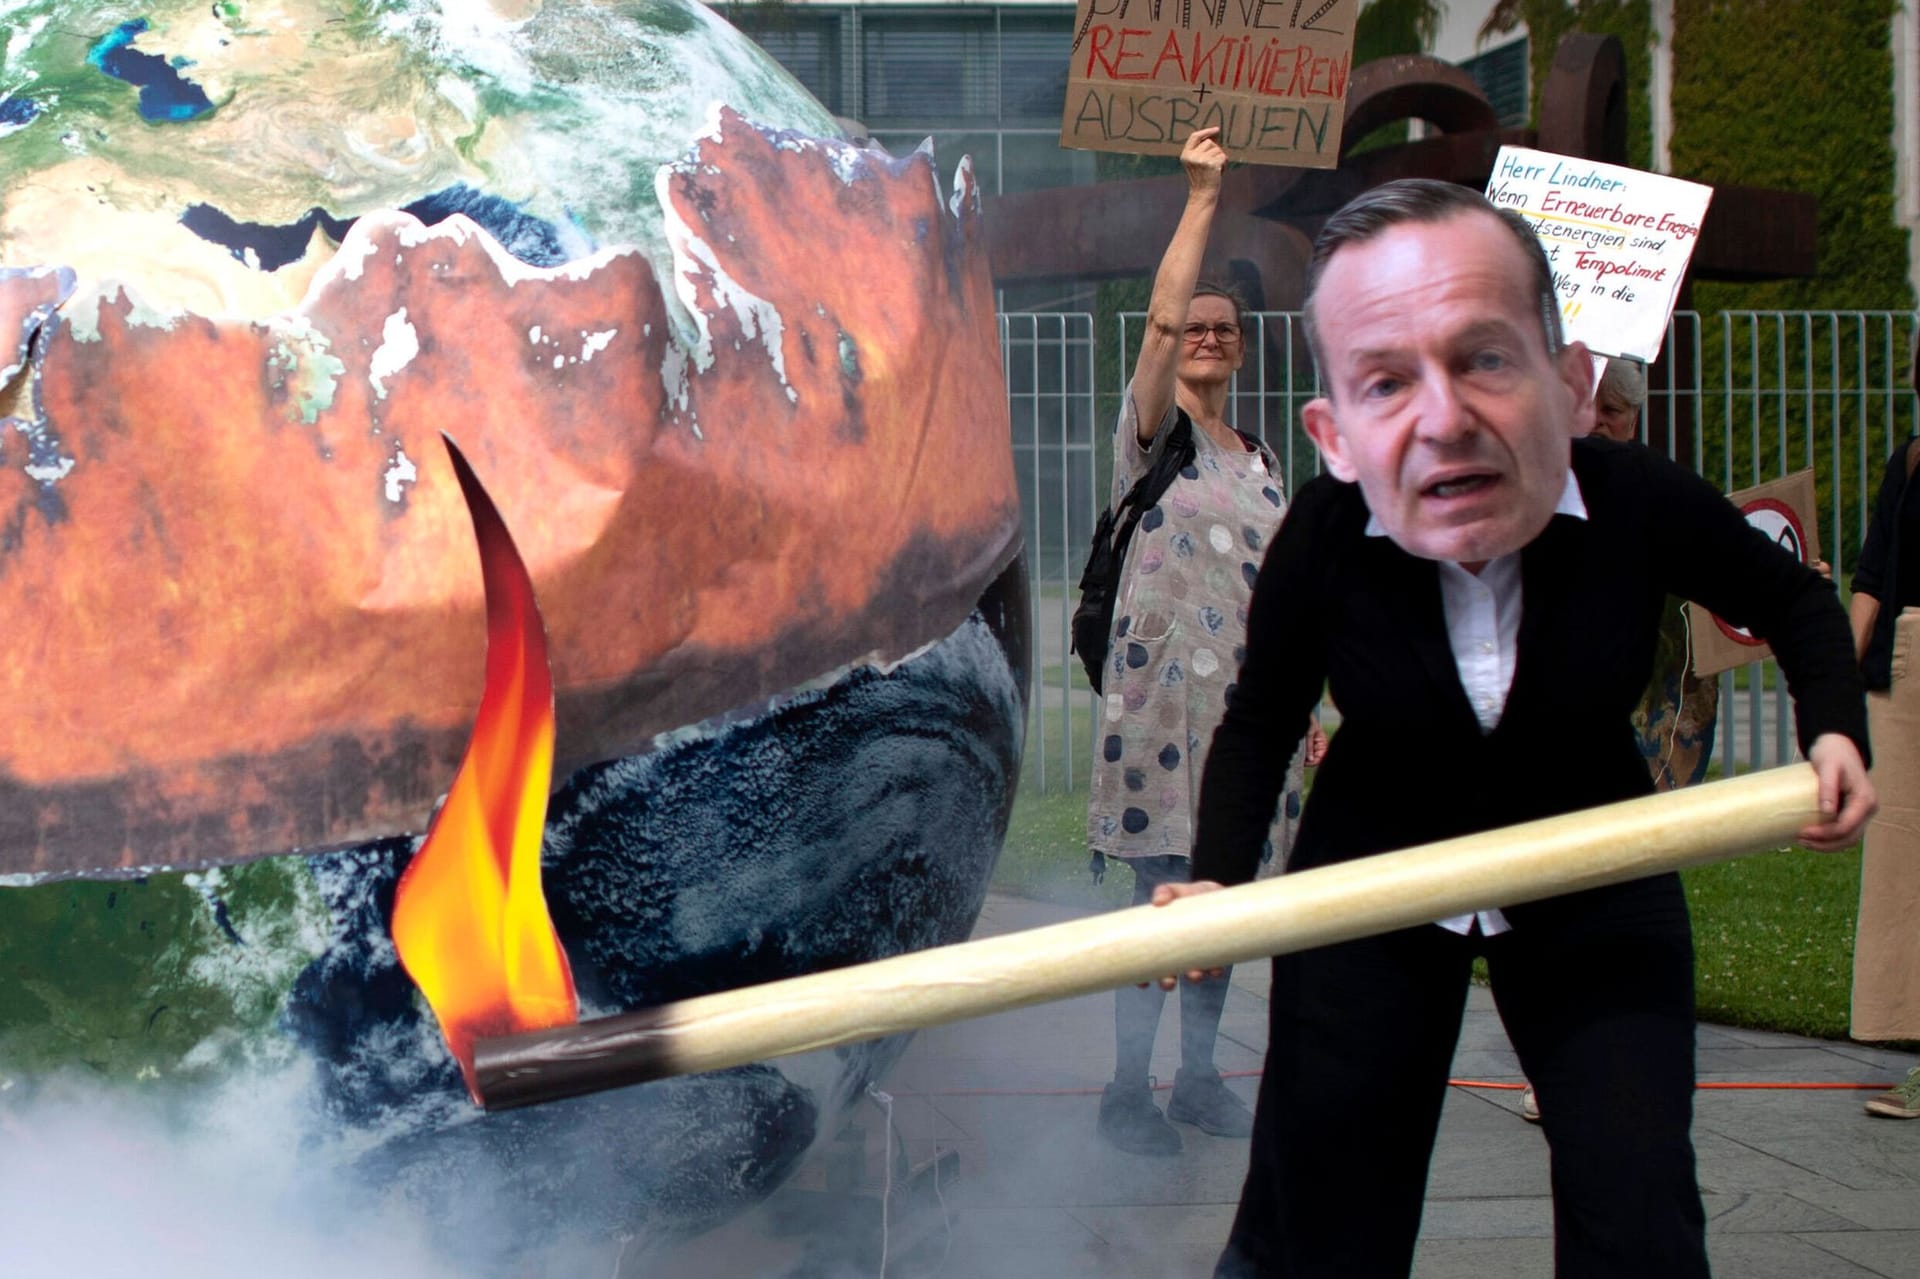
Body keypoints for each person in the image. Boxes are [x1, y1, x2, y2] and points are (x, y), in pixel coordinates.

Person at [1157, 179, 1875, 1276]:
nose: (1443, 419)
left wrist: (1834, 734)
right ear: (1334, 434)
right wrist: (1215, 880)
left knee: (1635, 1210)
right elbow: (1263, 716)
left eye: (1487, 359)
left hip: (1596, 871)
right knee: (1319, 1213)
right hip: (1373, 877)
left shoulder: (1636, 499)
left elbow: (1796, 601)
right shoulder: (1325, 531)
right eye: (1387, 382)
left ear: (1570, 382)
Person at [1086, 125, 1324, 1157]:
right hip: (1159, 723)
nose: (1209, 337)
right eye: (1197, 328)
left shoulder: (1265, 459)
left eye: (1226, 327)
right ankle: (1125, 1085)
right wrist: (1199, 200)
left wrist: (1315, 709)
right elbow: (1159, 318)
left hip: (1245, 725)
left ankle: (1197, 1076)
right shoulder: (1151, 440)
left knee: (1221, 900)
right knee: (1159, 900)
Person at [1848, 333, 1920, 1120]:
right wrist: (1835, 676)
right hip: (1907, 673)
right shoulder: (1909, 461)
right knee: (1904, 867)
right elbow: (1874, 574)